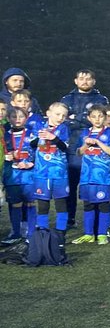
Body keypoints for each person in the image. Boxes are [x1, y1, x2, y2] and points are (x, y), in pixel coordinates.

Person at [60, 68, 109, 228]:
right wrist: (83, 118)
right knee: (70, 185)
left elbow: (98, 121)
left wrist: (76, 117)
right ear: (75, 80)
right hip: (72, 147)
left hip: (95, 148)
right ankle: (70, 219)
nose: (84, 81)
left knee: (93, 184)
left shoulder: (101, 98)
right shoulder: (67, 99)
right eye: (81, 78)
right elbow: (63, 120)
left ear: (94, 81)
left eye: (88, 79)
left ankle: (96, 221)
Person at [27, 101, 71, 265]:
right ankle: (42, 232)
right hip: (41, 173)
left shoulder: (64, 129)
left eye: (64, 115)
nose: (61, 118)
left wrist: (55, 138)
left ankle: (60, 233)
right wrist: (40, 136)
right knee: (43, 205)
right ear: (48, 113)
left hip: (59, 173)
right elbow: (31, 144)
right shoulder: (39, 126)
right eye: (58, 114)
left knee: (61, 204)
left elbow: (65, 147)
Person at [71, 105, 110, 245]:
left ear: (104, 117)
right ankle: (88, 234)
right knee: (88, 205)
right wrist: (86, 144)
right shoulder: (85, 132)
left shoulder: (109, 133)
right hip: (87, 177)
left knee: (103, 205)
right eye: (94, 116)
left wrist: (98, 142)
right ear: (89, 118)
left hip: (103, 177)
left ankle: (102, 234)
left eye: (100, 116)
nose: (97, 119)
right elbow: (79, 153)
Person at [4, 105, 36, 244]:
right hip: (12, 175)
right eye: (14, 116)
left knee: (30, 203)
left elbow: (41, 151)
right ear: (8, 118)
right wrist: (6, 156)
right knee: (15, 203)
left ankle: (31, 233)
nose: (17, 119)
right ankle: (16, 233)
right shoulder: (4, 134)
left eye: (21, 116)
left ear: (27, 117)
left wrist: (31, 163)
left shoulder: (32, 134)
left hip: (29, 175)